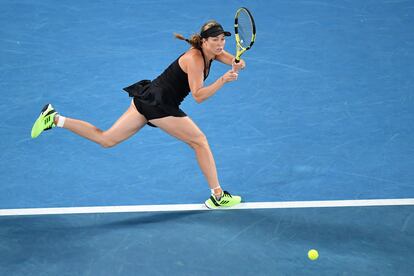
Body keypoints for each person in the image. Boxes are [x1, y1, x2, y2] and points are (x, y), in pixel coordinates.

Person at [31, 20, 246, 209]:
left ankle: (55, 118)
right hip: (160, 105)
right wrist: (222, 81)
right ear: (204, 42)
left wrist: (237, 62)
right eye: (215, 40)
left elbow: (230, 59)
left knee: (107, 139)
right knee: (199, 141)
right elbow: (198, 96)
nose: (220, 44)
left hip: (147, 97)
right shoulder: (195, 59)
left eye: (222, 39)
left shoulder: (212, 53)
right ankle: (218, 196)